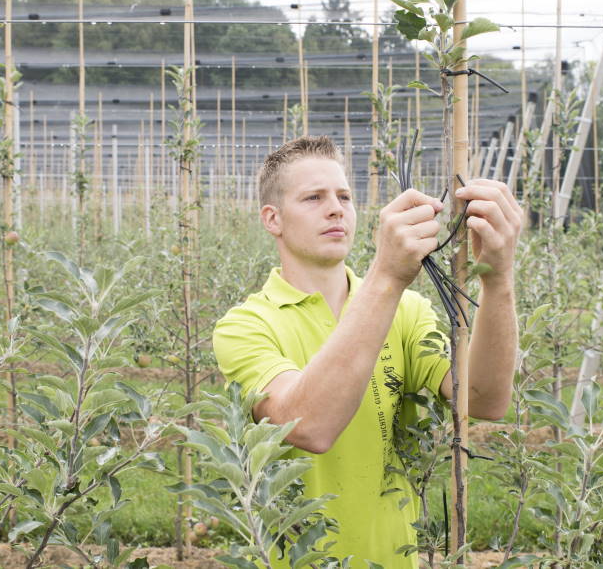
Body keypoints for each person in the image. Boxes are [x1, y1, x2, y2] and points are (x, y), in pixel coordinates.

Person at [212, 135, 521, 568]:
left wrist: (498, 277)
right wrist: (387, 276)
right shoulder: (246, 326)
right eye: (313, 198)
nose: (336, 208)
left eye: (344, 196)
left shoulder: (407, 313)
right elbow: (309, 427)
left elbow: (485, 399)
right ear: (273, 219)